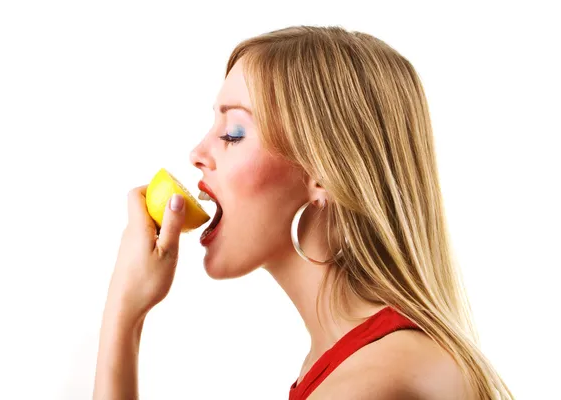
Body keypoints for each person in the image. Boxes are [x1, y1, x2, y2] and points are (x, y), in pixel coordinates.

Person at [93, 26, 513, 399]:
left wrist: (122, 314)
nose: (198, 153)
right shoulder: (347, 360)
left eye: (233, 133)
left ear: (323, 174)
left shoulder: (372, 382)